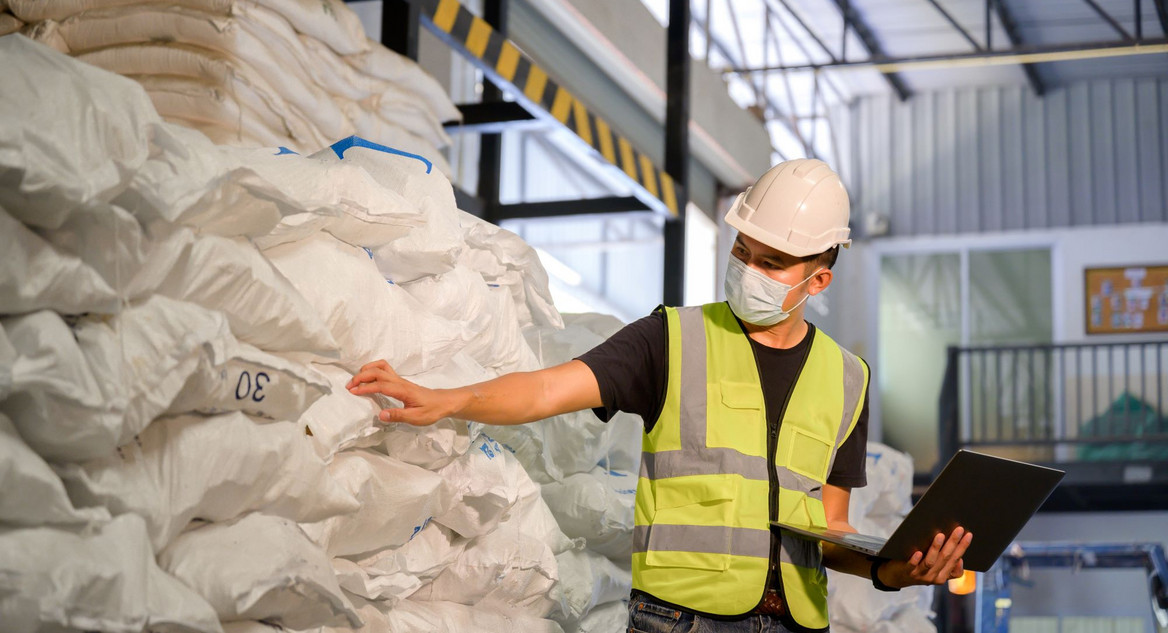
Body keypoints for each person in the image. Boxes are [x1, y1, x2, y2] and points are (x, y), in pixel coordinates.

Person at [347, 158, 972, 632]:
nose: (749, 269)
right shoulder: (671, 339)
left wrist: (896, 570)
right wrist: (449, 398)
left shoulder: (849, 380)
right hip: (681, 620)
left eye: (773, 261)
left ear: (819, 277)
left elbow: (831, 531)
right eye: (742, 250)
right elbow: (546, 389)